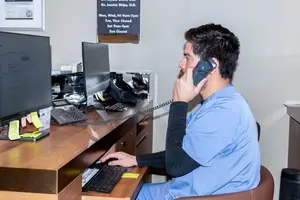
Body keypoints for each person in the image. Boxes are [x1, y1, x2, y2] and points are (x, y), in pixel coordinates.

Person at [100, 23, 261, 200]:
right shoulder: (219, 103)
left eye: (187, 57)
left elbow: (175, 164)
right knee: (119, 188)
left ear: (210, 66)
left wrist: (179, 103)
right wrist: (137, 160)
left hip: (195, 196)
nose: (181, 64)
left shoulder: (223, 112)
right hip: (190, 189)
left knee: (110, 195)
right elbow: (185, 153)